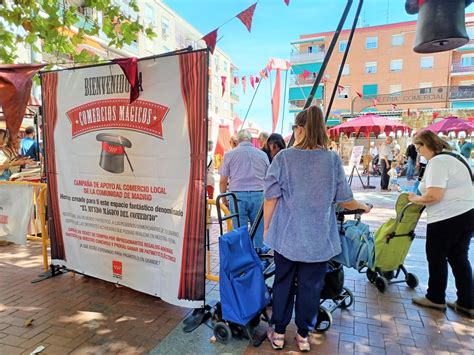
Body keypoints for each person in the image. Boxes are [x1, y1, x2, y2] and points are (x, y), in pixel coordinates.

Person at [263, 106, 372, 351]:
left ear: (300, 128)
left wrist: (267, 227)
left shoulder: (284, 158)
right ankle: (303, 336)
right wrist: (363, 206)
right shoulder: (332, 159)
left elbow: (270, 197)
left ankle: (278, 333)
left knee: (282, 284)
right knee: (311, 289)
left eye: (294, 128)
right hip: (318, 239)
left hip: (287, 238)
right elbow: (345, 200)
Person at [408, 130, 473, 318]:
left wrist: (415, 199)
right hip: (467, 214)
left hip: (446, 218)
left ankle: (435, 298)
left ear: (427, 145)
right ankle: (467, 302)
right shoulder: (456, 156)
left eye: (419, 148)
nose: (419, 152)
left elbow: (435, 195)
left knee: (436, 256)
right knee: (459, 258)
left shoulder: (437, 162)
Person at [219, 129, 269, 251]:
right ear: (251, 140)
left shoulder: (230, 155)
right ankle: (259, 257)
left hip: (237, 197)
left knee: (239, 230)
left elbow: (223, 180)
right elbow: (268, 178)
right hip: (259, 195)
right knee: (258, 229)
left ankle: (243, 258)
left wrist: (224, 198)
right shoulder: (262, 155)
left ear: (238, 140)